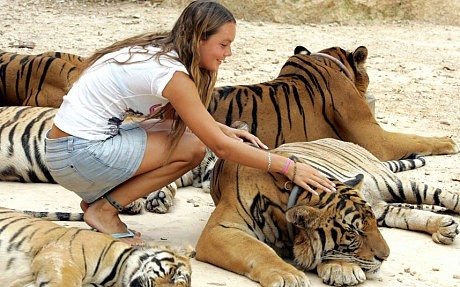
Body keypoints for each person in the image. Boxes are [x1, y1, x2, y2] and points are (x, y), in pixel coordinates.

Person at [44, 0, 336, 245]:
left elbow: (183, 119)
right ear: (199, 39)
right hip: (78, 156)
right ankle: (104, 210)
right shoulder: (172, 75)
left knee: (181, 133)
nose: (228, 54)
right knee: (194, 148)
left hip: (65, 151)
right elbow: (220, 148)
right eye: (223, 44)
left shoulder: (159, 53)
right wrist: (289, 167)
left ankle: (98, 203)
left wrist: (225, 129)